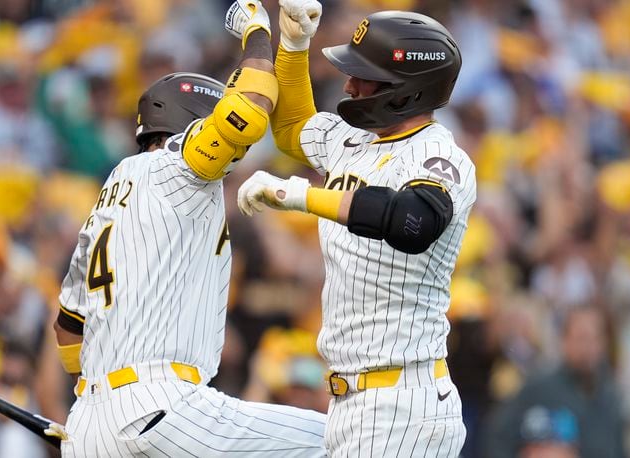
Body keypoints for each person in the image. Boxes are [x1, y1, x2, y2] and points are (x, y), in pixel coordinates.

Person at [51, 1, 326, 456]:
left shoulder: (113, 193)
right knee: (347, 440)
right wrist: (257, 31)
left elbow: (67, 340)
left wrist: (106, 405)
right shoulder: (174, 168)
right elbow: (249, 112)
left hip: (88, 427)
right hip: (163, 405)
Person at [236, 2, 476, 456]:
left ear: (403, 90)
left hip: (404, 401)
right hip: (354, 400)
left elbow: (413, 220)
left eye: (363, 75)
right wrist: (293, 44)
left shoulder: (438, 155)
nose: (349, 84)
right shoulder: (354, 139)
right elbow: (290, 127)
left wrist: (300, 197)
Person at [485, 307, 626, 458]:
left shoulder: (611, 396)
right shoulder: (539, 388)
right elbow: (496, 438)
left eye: (596, 338)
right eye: (582, 337)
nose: (589, 347)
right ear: (564, 341)